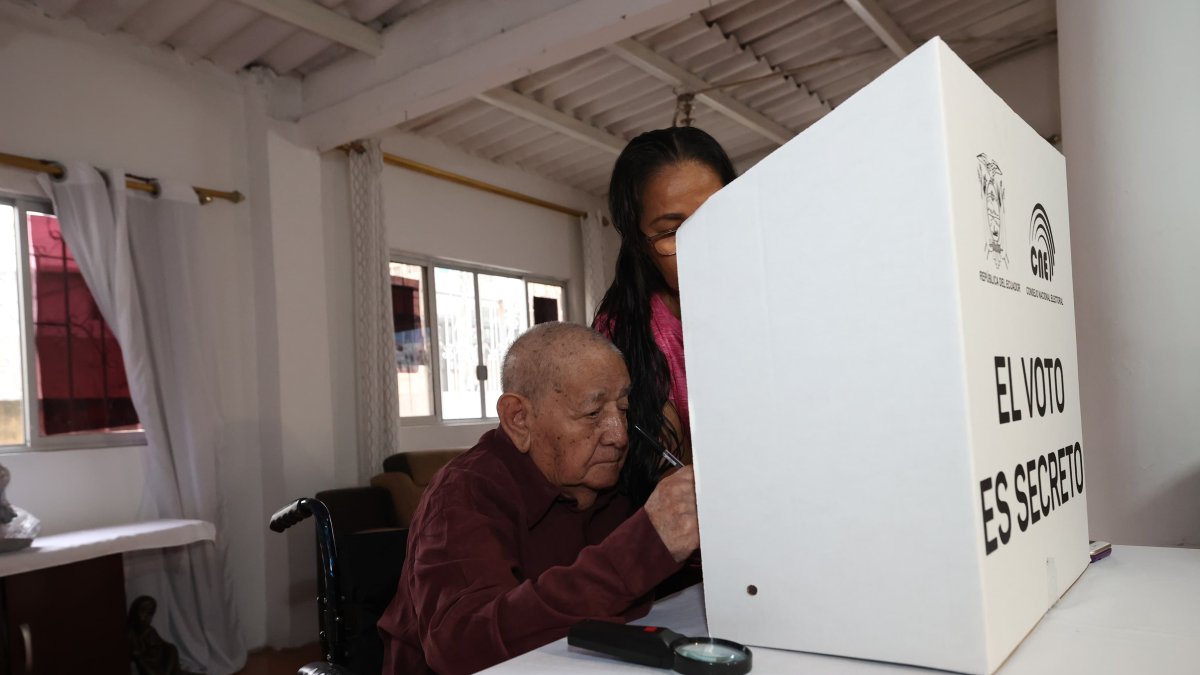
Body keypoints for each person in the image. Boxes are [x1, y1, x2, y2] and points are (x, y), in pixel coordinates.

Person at [378, 322, 700, 675]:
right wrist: (643, 547)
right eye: (593, 414)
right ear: (519, 419)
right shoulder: (464, 493)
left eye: (622, 408)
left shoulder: (617, 479)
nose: (619, 436)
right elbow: (463, 646)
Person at [594, 126, 736, 506]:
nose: (703, 243)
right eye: (673, 231)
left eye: (717, 215)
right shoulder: (627, 334)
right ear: (639, 241)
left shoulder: (776, 297)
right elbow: (673, 485)